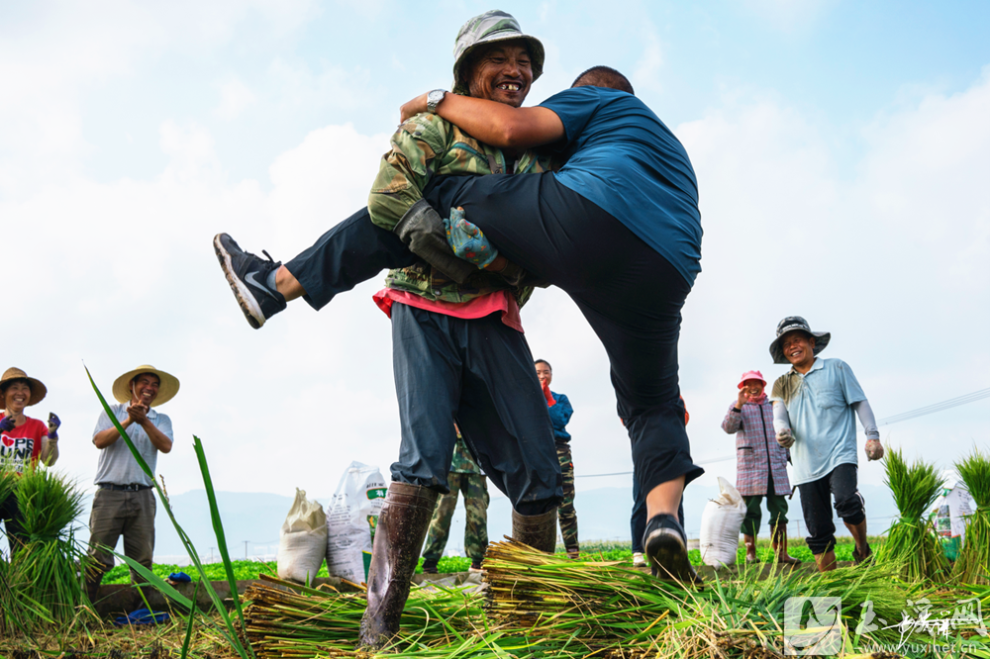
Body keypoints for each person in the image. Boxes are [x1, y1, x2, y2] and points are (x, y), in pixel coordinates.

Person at [215, 43, 703, 584]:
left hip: (590, 221)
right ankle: (663, 521)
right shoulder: (668, 149)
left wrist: (434, 99)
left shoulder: (601, 102)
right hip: (669, 268)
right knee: (654, 404)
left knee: (437, 193)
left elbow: (513, 130)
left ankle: (276, 284)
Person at [216, 12, 564, 648]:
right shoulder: (430, 129)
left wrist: (504, 262)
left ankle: (525, 622)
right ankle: (379, 632)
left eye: (526, 63)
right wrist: (475, 255)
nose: (516, 73)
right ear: (468, 70)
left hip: (495, 320)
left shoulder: (533, 158)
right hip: (424, 306)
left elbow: (541, 247)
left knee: (540, 474)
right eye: (501, 59)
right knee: (424, 461)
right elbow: (388, 202)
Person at [769, 317, 883, 572]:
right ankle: (832, 588)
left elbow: (860, 402)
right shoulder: (781, 383)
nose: (792, 346)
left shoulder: (837, 368)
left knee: (847, 501)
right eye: (786, 344)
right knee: (818, 530)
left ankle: (862, 549)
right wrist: (781, 432)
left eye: (797, 339)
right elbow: (778, 415)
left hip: (840, 454)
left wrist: (872, 436)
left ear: (811, 342)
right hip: (805, 465)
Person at [85, 365, 178, 600]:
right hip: (109, 493)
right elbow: (99, 441)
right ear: (132, 386)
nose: (150, 388)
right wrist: (128, 420)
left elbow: (165, 446)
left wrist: (144, 421)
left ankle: (141, 613)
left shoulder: (161, 419)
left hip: (143, 494)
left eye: (155, 384)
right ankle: (85, 608)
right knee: (98, 556)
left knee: (142, 558)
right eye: (145, 382)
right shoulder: (112, 412)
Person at [721, 370, 799, 565]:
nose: (753, 387)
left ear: (763, 386)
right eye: (748, 384)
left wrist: (791, 457)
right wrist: (739, 404)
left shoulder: (774, 405)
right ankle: (750, 552)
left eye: (757, 383)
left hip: (775, 465)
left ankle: (781, 553)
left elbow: (787, 430)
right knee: (750, 511)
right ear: (742, 388)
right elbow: (728, 427)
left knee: (779, 509)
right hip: (751, 468)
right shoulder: (739, 407)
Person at [0, 367, 61, 556]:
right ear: (4, 393)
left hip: (22, 493)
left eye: (24, 388)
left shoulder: (36, 426)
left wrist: (52, 436)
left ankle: (17, 582)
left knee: (21, 547)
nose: (20, 393)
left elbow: (49, 460)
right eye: (14, 388)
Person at [420, 428, 489, 574]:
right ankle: (430, 562)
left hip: (476, 465)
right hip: (447, 465)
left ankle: (478, 561)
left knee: (478, 515)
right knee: (441, 514)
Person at [630, 398, 687, 568]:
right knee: (641, 502)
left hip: (671, 455)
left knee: (675, 504)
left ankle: (678, 549)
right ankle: (638, 551)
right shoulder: (636, 393)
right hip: (645, 457)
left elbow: (684, 418)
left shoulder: (674, 395)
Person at [535, 359, 579, 558]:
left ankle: (572, 551)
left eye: (546, 372)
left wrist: (547, 397)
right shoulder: (525, 398)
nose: (543, 376)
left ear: (552, 375)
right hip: (535, 453)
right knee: (538, 503)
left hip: (559, 452)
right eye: (537, 373)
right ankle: (542, 553)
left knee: (566, 504)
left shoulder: (561, 399)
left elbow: (560, 420)